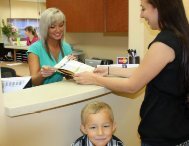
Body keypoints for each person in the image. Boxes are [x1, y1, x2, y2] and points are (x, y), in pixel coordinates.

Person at [74, 0, 189, 145]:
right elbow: (145, 70)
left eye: (143, 8)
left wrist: (94, 79)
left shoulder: (164, 43)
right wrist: (109, 69)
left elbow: (132, 86)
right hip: (179, 130)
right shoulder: (181, 37)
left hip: (163, 135)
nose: (141, 15)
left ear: (158, 8)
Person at [27, 8, 75, 86]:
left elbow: (69, 78)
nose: (58, 30)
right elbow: (34, 82)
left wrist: (72, 67)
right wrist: (42, 74)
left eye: (61, 25)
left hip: (59, 91)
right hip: (40, 94)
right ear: (45, 28)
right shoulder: (35, 49)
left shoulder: (66, 47)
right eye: (52, 27)